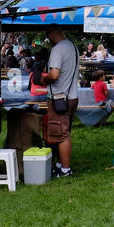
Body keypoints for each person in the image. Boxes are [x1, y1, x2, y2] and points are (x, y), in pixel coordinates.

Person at [37, 25, 80, 178]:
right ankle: (61, 163)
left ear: (50, 34)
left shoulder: (57, 49)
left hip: (59, 99)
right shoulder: (73, 46)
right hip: (72, 96)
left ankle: (65, 169)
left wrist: (44, 78)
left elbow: (54, 75)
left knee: (62, 135)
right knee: (65, 131)